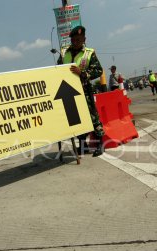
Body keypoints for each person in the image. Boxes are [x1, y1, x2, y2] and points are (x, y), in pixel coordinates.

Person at [57, 25, 104, 157]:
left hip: (85, 92)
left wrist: (82, 73)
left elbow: (98, 70)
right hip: (68, 93)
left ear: (84, 39)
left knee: (93, 117)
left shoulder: (89, 52)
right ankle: (83, 146)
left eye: (79, 39)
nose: (76, 42)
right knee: (76, 119)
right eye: (74, 40)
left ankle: (100, 144)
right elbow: (57, 69)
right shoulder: (64, 53)